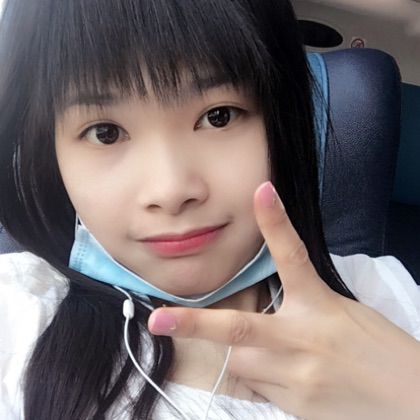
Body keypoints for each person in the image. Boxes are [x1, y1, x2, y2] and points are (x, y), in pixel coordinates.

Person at [0, 0, 419, 419]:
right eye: (105, 133)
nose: (170, 190)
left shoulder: (384, 294)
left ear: (284, 126)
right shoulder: (19, 312)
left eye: (219, 117)